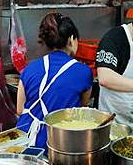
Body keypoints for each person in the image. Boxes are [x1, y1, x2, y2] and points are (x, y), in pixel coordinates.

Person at [16, 13, 93, 149]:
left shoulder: (30, 67)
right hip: (57, 143)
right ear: (71, 39)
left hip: (23, 139)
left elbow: (20, 109)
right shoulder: (84, 72)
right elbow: (81, 109)